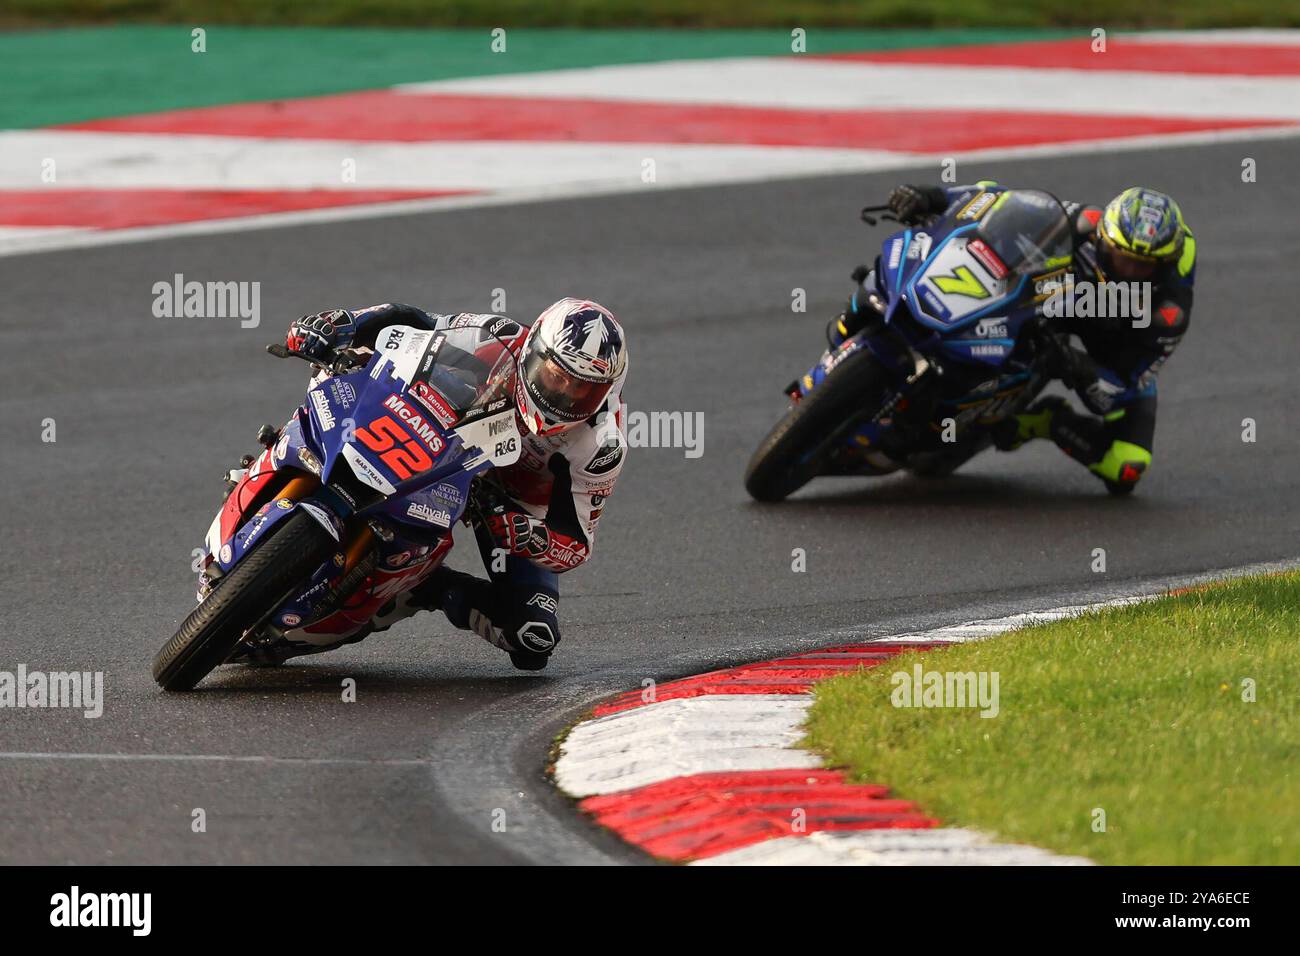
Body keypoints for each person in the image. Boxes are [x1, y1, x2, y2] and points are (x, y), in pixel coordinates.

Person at [283, 298, 628, 669]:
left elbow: (575, 543)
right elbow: (415, 322)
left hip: (505, 504)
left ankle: (422, 588)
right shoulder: (500, 336)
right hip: (448, 440)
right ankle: (283, 461)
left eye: (581, 390)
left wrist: (526, 533)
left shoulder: (602, 442)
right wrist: (345, 323)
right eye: (555, 376)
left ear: (606, 391)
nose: (562, 394)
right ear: (533, 352)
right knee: (345, 388)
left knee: (531, 636)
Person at [835, 181, 1194, 494]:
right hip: (1059, 304)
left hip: (1108, 351)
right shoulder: (1088, 223)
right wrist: (931, 196)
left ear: (1164, 265)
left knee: (1126, 466)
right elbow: (994, 200)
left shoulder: (1167, 312)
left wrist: (1078, 365)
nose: (1129, 271)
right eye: (1122, 258)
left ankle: (1041, 421)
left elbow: (1123, 388)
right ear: (1104, 239)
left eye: (1142, 267)